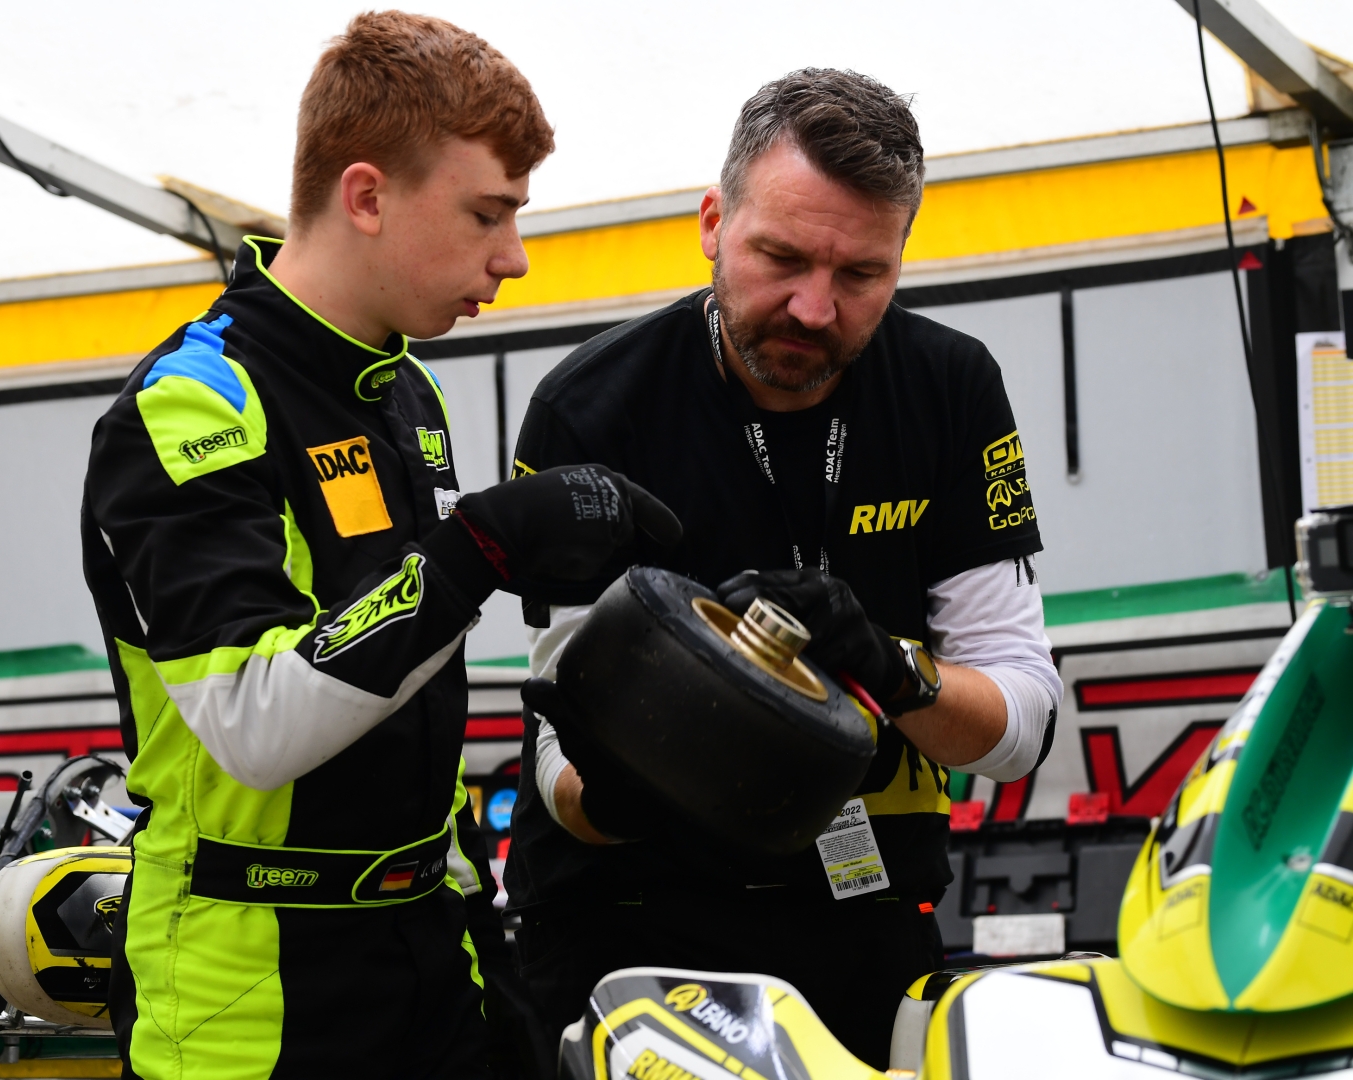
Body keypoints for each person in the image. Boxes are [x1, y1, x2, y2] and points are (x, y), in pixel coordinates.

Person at [80, 13, 679, 1079]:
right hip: (244, 988)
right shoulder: (193, 400)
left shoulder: (408, 390)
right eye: (486, 213)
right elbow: (254, 721)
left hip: (432, 943)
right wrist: (482, 547)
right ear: (365, 196)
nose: (514, 257)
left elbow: (408, 678)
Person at [504, 68, 1064, 1070]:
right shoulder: (589, 407)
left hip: (863, 913)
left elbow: (1021, 726)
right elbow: (555, 753)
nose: (813, 308)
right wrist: (631, 785)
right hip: (632, 926)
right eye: (782, 257)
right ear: (712, 223)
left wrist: (890, 669)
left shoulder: (951, 386)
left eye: (861, 275)